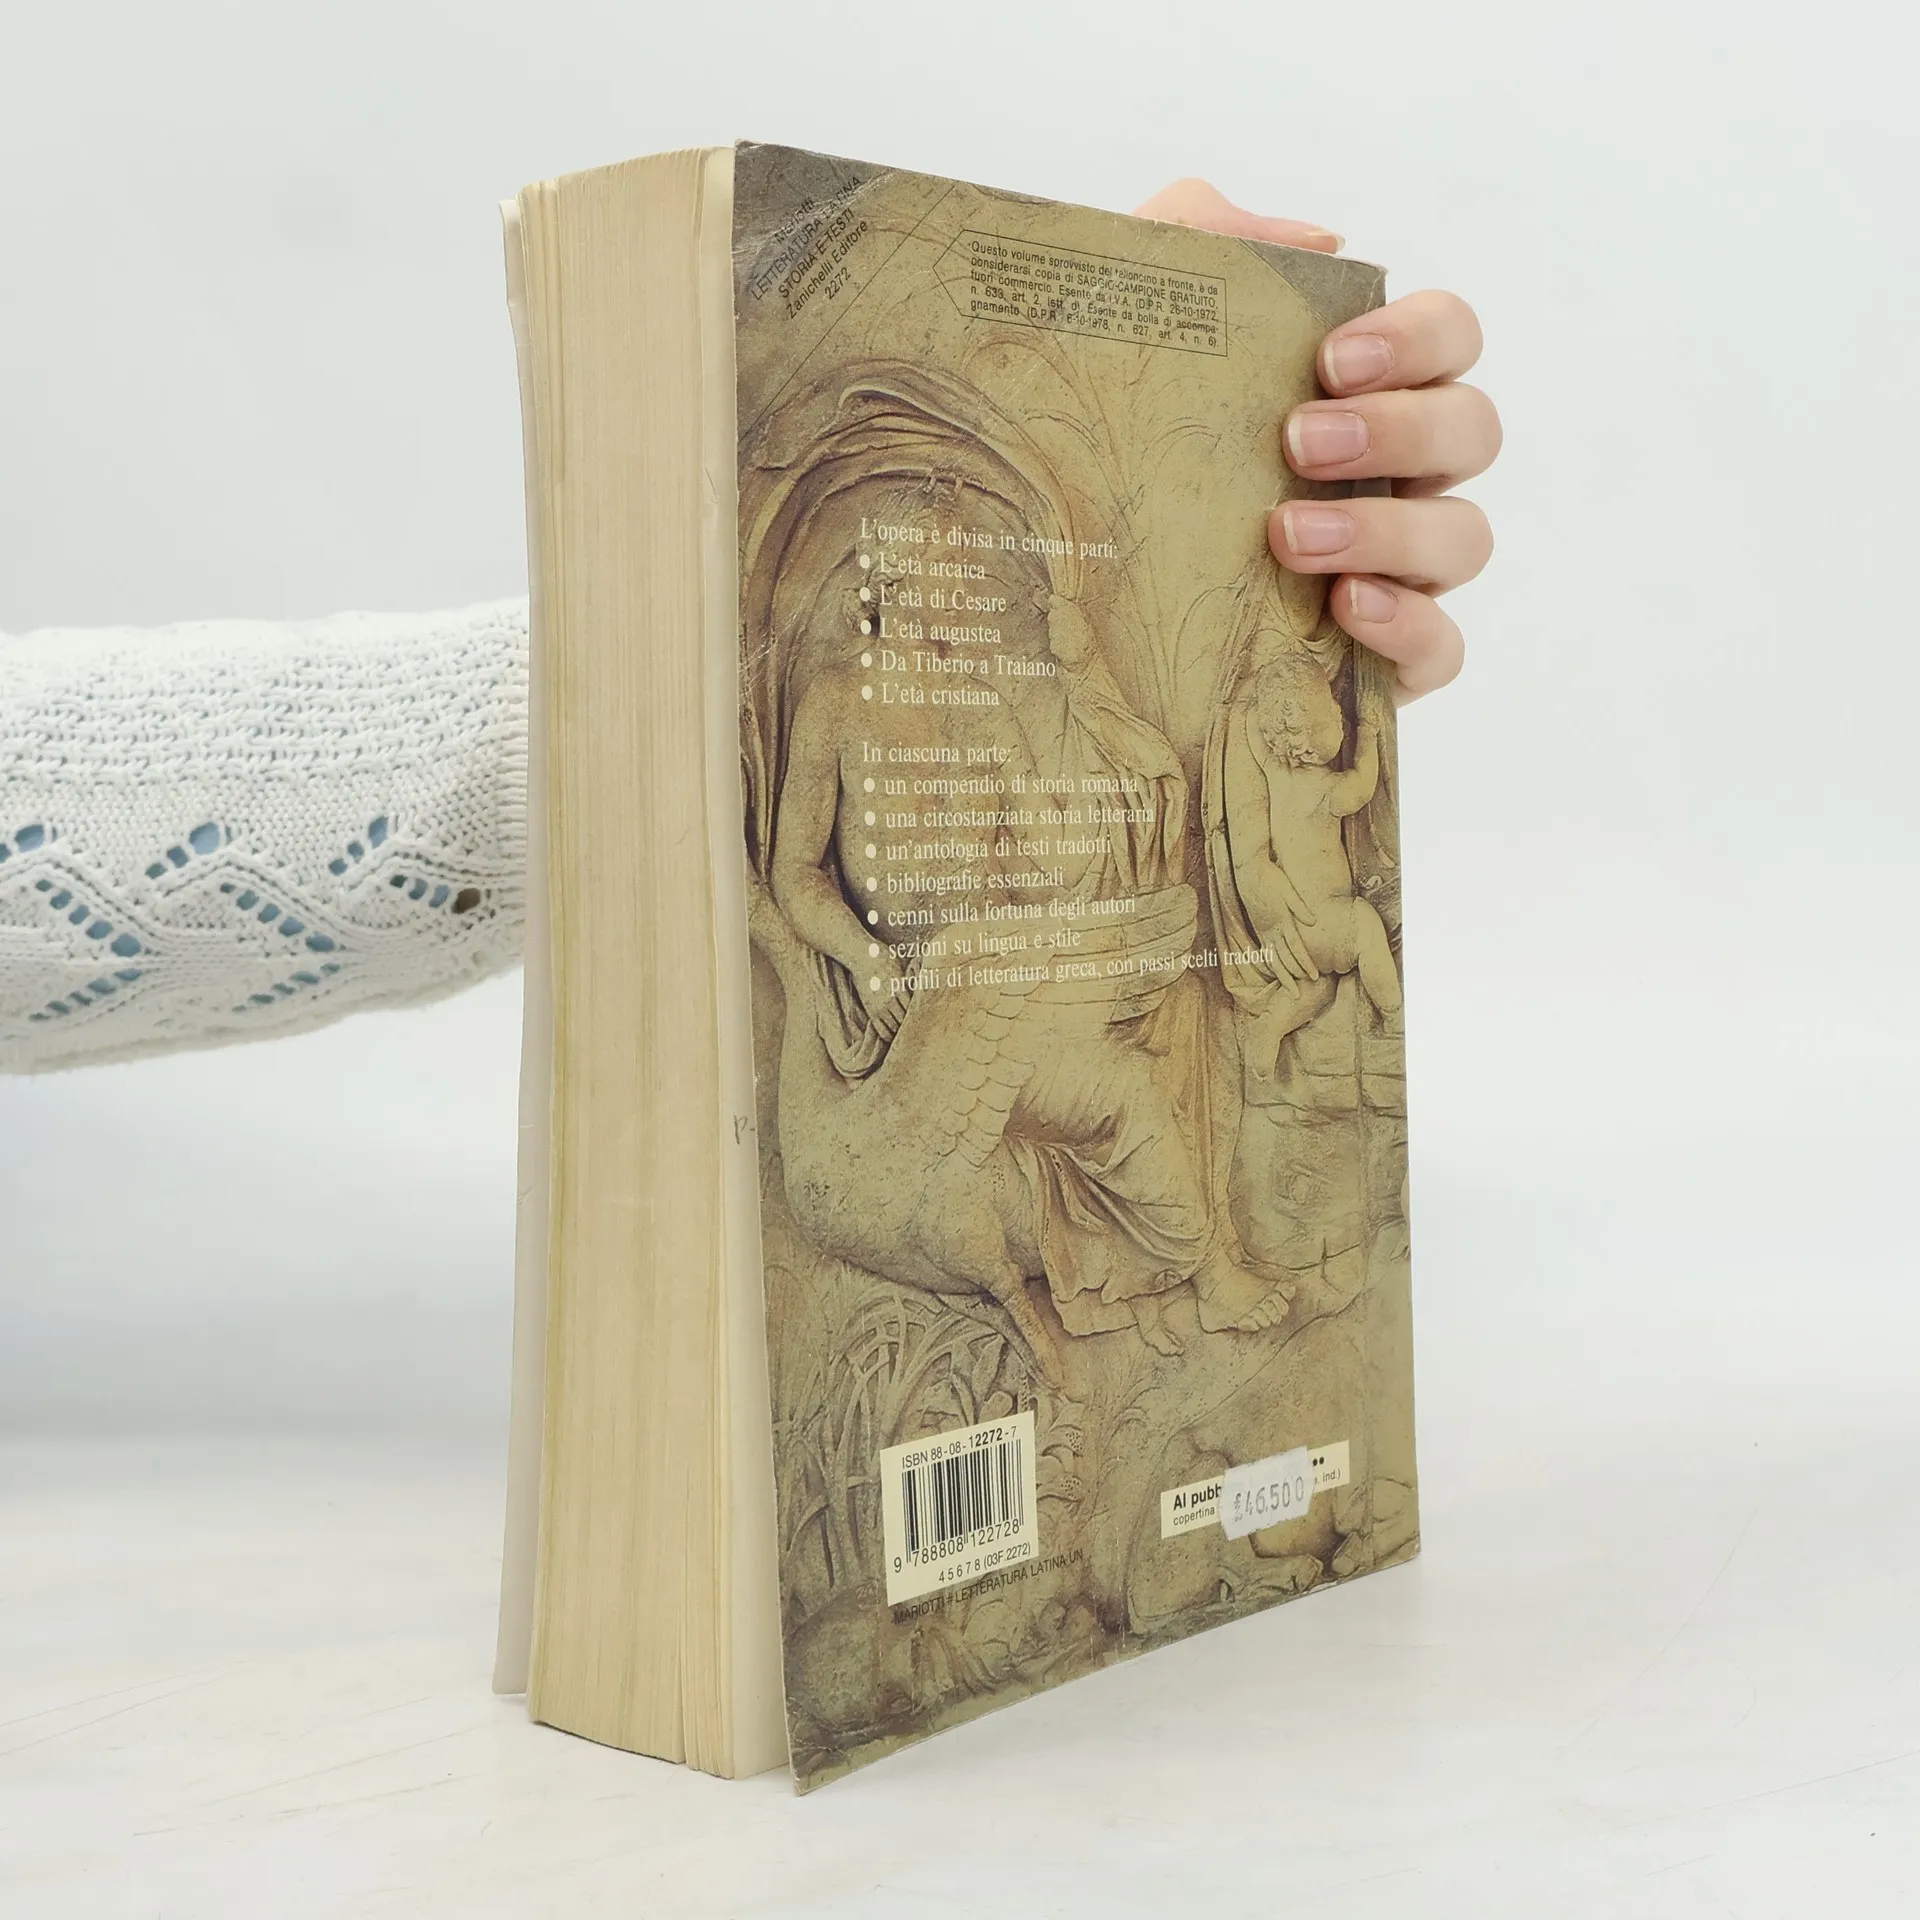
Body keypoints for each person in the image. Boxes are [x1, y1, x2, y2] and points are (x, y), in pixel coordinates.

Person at [0, 178, 1500, 1075]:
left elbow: (1122, 760)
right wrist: (834, 916)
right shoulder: (841, 697)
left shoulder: (1023, 673)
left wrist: (1215, 564)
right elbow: (799, 880)